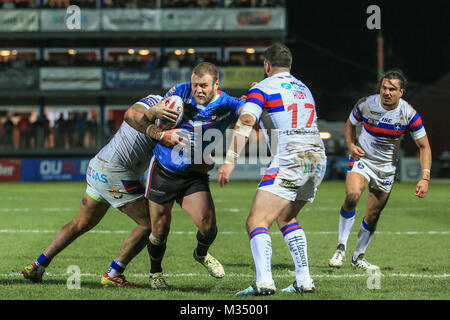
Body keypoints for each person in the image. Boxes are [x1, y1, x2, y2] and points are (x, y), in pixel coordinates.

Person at [22, 95, 181, 287]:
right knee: (152, 223)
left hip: (98, 166)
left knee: (80, 223)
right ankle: (114, 273)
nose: (164, 123)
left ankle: (37, 265)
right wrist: (153, 116)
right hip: (115, 173)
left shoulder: (161, 112)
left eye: (170, 121)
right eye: (165, 118)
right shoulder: (154, 106)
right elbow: (130, 115)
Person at [218, 43, 327, 296]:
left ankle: (264, 281)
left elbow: (246, 120)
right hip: (317, 159)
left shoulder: (262, 87)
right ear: (289, 65)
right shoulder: (304, 88)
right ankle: (304, 280)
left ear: (267, 65)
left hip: (291, 158)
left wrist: (230, 159)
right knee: (286, 217)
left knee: (256, 221)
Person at [124, 62, 246, 288]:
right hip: (163, 170)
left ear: (216, 85)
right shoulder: (180, 92)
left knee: (208, 226)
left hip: (193, 175)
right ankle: (155, 273)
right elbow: (147, 117)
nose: (198, 90)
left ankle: (201, 254)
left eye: (204, 86)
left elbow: (248, 112)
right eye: (195, 85)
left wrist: (257, 98)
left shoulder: (227, 104)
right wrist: (156, 117)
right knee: (159, 230)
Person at [328, 70, 432, 270]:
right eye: (384, 87)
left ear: (401, 92)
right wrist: (351, 146)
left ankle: (358, 258)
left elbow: (424, 146)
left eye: (392, 89)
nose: (386, 92)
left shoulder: (409, 114)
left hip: (386, 169)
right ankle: (341, 247)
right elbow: (350, 124)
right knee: (352, 196)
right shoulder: (367, 103)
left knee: (373, 215)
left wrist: (425, 177)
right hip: (363, 160)